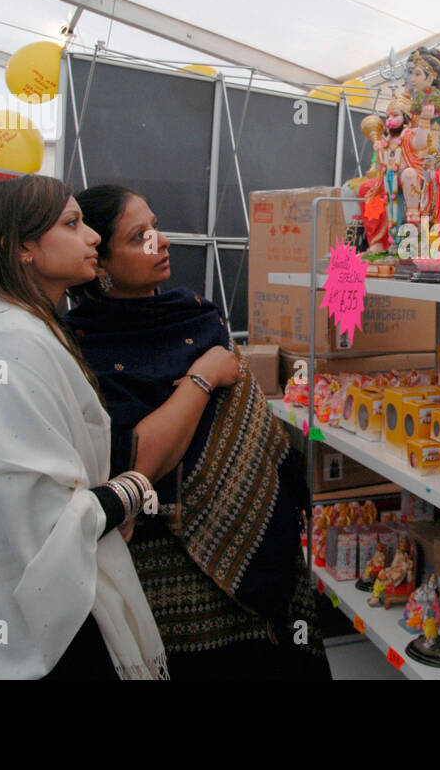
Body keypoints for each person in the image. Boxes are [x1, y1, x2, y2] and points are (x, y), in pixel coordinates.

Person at [65, 185, 330, 679]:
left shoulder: (194, 314)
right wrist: (203, 377)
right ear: (99, 264)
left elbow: (246, 421)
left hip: (259, 534)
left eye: (156, 226)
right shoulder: (82, 347)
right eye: (139, 236)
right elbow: (136, 460)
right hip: (170, 568)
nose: (161, 242)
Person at [0, 175, 167, 679]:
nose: (93, 237)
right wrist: (132, 489)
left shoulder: (18, 329)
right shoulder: (7, 344)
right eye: (72, 224)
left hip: (20, 610)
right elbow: (45, 514)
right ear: (19, 249)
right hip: (25, 630)